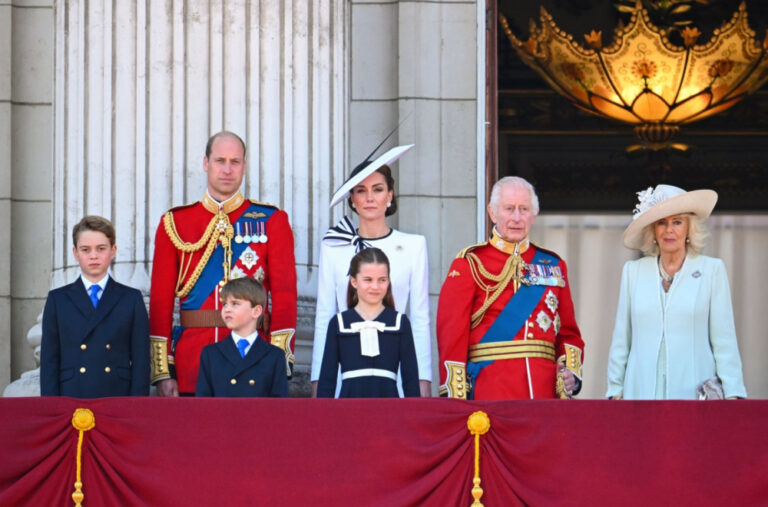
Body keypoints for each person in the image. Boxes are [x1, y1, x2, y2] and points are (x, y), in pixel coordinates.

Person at [150, 131, 297, 396]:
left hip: (255, 364)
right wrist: (164, 370)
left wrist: (279, 362)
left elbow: (285, 297)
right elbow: (160, 302)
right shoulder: (174, 223)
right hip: (191, 364)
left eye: (235, 161)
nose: (228, 169)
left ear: (244, 165)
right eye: (220, 161)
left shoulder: (272, 220)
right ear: (206, 163)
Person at [436, 176, 584, 400]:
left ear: (534, 215)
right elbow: (451, 335)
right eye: (509, 209)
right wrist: (456, 398)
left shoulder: (553, 265)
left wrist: (570, 372)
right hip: (490, 390)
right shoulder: (470, 263)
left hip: (543, 393)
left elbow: (569, 332)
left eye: (524, 209)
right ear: (493, 212)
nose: (516, 217)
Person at [311, 143, 432, 397]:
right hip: (346, 378)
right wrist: (318, 380)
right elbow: (324, 317)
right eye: (361, 191)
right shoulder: (334, 246)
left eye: (377, 190)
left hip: (396, 376)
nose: (369, 198)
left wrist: (423, 379)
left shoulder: (413, 245)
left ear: (390, 195)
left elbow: (420, 319)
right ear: (352, 199)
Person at [606, 184, 747, 400]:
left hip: (694, 394)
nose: (669, 230)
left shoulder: (712, 270)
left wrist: (733, 393)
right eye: (661, 222)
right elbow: (622, 338)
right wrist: (615, 390)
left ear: (690, 229)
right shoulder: (633, 272)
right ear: (653, 230)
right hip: (640, 393)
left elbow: (724, 341)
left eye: (677, 222)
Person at [40, 216, 150, 397]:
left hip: (117, 395)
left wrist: (136, 407)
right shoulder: (58, 300)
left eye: (101, 249)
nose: (93, 256)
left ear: (113, 251)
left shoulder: (131, 299)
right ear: (75, 253)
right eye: (85, 249)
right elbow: (49, 362)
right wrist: (51, 407)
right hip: (71, 395)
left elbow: (141, 361)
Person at [317, 248, 420, 398]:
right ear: (354, 281)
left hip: (390, 413)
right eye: (368, 280)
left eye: (382, 280)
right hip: (349, 411)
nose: (375, 286)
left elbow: (411, 381)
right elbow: (327, 380)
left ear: (389, 281)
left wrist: (414, 418)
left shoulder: (400, 322)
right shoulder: (339, 323)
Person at [195, 277, 288, 397]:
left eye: (235, 304)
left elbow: (279, 407)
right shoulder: (210, 354)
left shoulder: (274, 356)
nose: (227, 309)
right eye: (224, 304)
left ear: (256, 311)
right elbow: (203, 405)